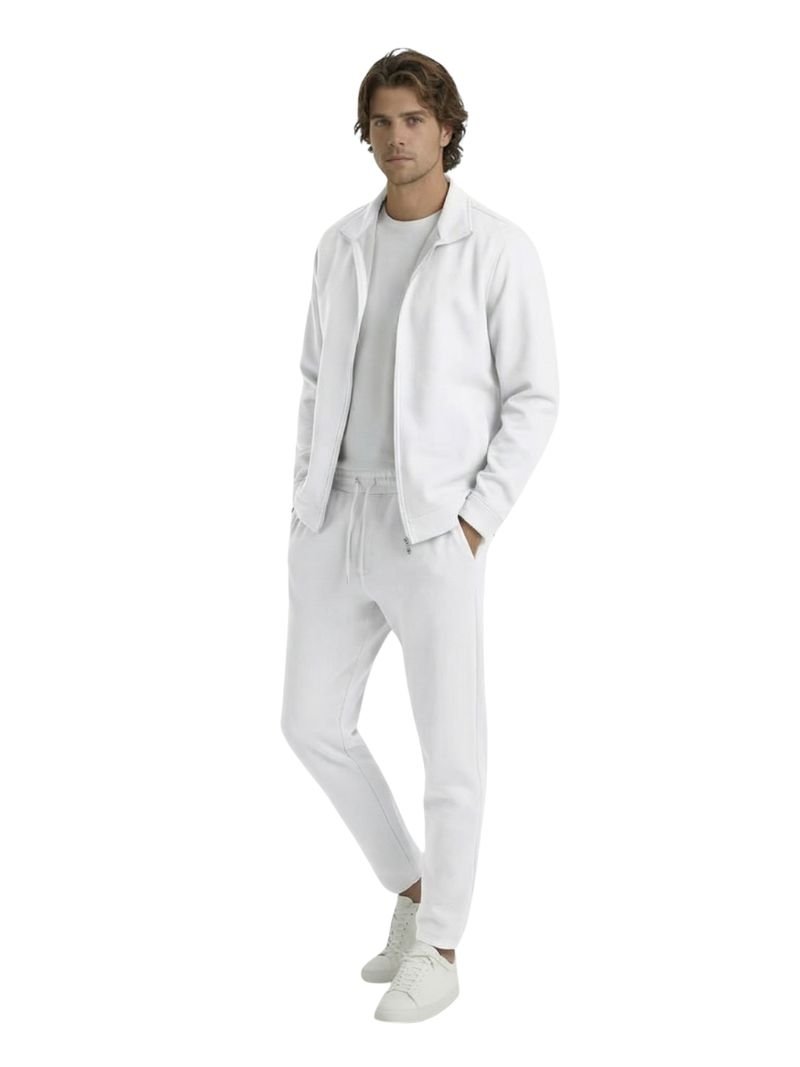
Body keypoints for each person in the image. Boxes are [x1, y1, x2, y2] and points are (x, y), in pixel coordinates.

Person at [280, 47, 559, 1023]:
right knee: (309, 721)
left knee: (451, 745)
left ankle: (439, 945)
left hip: (432, 524)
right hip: (333, 517)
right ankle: (411, 887)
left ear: (446, 127)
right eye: (381, 121)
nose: (396, 138)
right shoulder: (339, 244)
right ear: (365, 133)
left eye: (413, 119)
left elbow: (534, 396)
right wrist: (305, 494)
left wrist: (474, 520)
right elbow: (314, 377)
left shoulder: (496, 249)